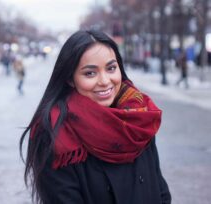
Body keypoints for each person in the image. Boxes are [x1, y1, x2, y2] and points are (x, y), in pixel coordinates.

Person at [20, 30, 171, 204]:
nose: (105, 81)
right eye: (90, 73)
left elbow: (161, 191)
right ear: (70, 79)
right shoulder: (54, 133)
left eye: (111, 68)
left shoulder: (139, 117)